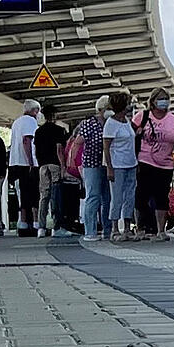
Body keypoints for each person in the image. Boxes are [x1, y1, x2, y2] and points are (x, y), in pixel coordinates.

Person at [135, 88, 174, 240]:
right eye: (161, 99)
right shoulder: (142, 116)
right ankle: (141, 228)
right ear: (153, 101)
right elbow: (130, 136)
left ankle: (161, 231)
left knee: (162, 196)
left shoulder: (173, 120)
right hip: (145, 161)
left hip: (166, 164)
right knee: (142, 195)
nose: (164, 102)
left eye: (166, 99)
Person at [72, 97, 112, 240]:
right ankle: (90, 231)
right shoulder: (89, 123)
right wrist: (73, 162)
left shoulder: (113, 123)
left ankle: (108, 230)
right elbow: (78, 142)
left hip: (108, 165)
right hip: (92, 164)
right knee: (93, 196)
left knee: (107, 198)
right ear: (101, 109)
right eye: (108, 108)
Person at [102, 91, 139, 241]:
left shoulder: (127, 121)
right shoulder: (110, 124)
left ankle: (128, 227)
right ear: (123, 106)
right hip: (117, 165)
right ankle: (115, 228)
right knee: (117, 197)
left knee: (130, 196)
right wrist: (109, 167)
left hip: (131, 163)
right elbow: (106, 146)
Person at [8, 99, 42, 237]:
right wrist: (31, 162)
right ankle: (35, 222)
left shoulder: (17, 122)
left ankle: (22, 223)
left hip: (15, 162)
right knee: (33, 193)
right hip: (25, 163)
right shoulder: (30, 121)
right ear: (35, 111)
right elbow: (26, 140)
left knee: (22, 194)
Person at [35, 104, 69, 237]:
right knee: (56, 196)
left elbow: (36, 151)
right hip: (55, 165)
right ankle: (57, 227)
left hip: (43, 166)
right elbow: (59, 150)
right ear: (54, 116)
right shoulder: (59, 130)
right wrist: (63, 167)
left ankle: (41, 228)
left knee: (44, 196)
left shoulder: (38, 131)